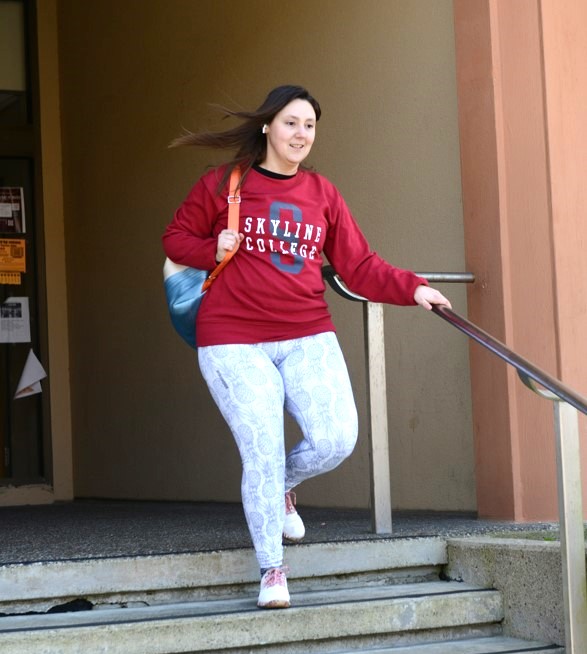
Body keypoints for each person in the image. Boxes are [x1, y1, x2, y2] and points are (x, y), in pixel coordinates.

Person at [162, 85, 451, 610]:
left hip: (306, 332)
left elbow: (359, 265)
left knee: (337, 438)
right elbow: (175, 239)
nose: (301, 134)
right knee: (263, 451)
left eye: (310, 126)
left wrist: (413, 287)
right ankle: (273, 569)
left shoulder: (322, 193)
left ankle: (281, 487)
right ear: (268, 127)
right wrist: (213, 247)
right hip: (232, 338)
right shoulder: (223, 185)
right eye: (292, 123)